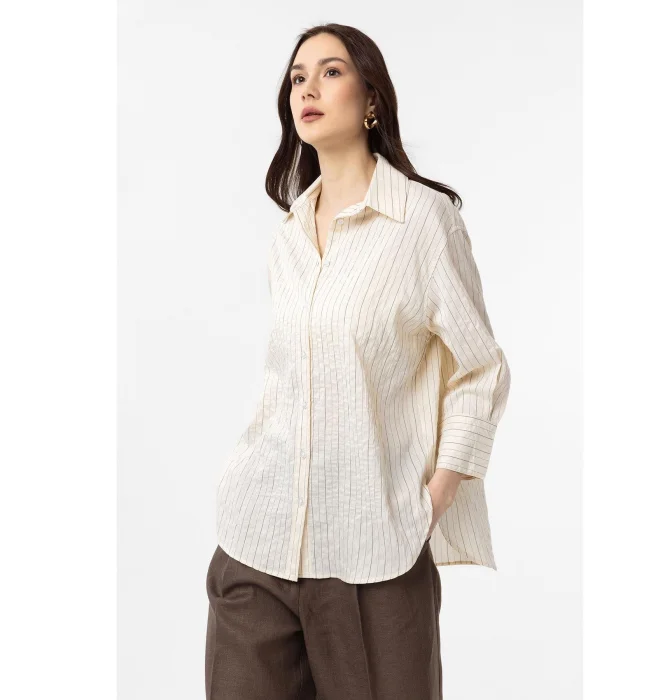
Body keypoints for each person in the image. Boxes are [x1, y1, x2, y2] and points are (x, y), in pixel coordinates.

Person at [205, 22, 512, 700]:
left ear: (372, 98)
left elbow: (481, 370)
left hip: (375, 554)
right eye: (297, 77)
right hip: (257, 546)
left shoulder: (423, 222)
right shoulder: (289, 234)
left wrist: (433, 496)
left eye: (331, 71)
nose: (307, 88)